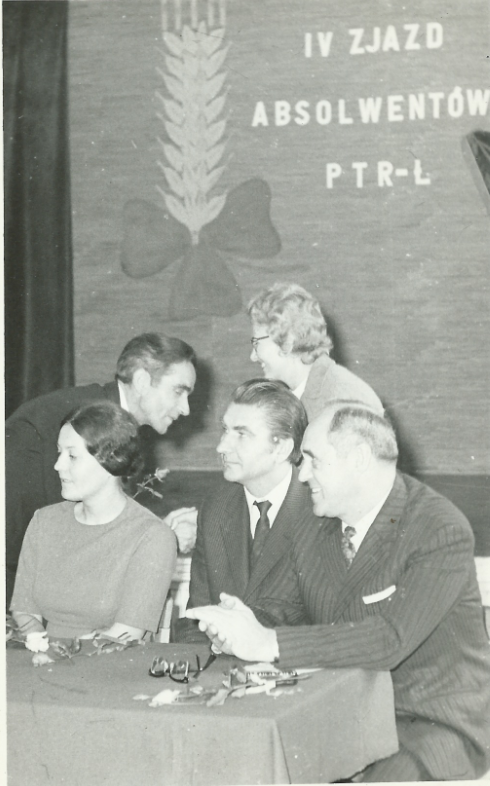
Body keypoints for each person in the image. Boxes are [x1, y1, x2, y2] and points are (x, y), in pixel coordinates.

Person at [187, 402, 490, 781]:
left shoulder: (438, 528)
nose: (301, 475)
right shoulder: (315, 524)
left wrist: (267, 642)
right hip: (340, 711)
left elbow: (389, 638)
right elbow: (283, 607)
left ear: (359, 459)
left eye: (313, 460)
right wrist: (240, 625)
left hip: (426, 721)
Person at [6, 332, 198, 605]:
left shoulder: (107, 419)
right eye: (179, 391)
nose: (186, 409)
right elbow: (72, 545)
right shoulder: (79, 422)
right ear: (142, 381)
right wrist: (164, 540)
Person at [10, 401, 177, 655]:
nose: (57, 465)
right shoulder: (44, 522)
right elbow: (24, 609)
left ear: (111, 460)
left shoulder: (152, 536)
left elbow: (125, 634)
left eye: (72, 456)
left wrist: (58, 653)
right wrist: (36, 640)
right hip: (44, 662)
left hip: (107, 668)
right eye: (59, 453)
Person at [176, 379, 315, 642]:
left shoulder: (319, 511)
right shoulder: (216, 508)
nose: (222, 447)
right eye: (225, 430)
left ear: (282, 448)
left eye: (241, 434)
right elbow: (197, 618)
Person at [248, 282, 383, 418]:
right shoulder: (305, 394)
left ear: (288, 342)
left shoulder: (342, 400)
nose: (253, 356)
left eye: (257, 343)